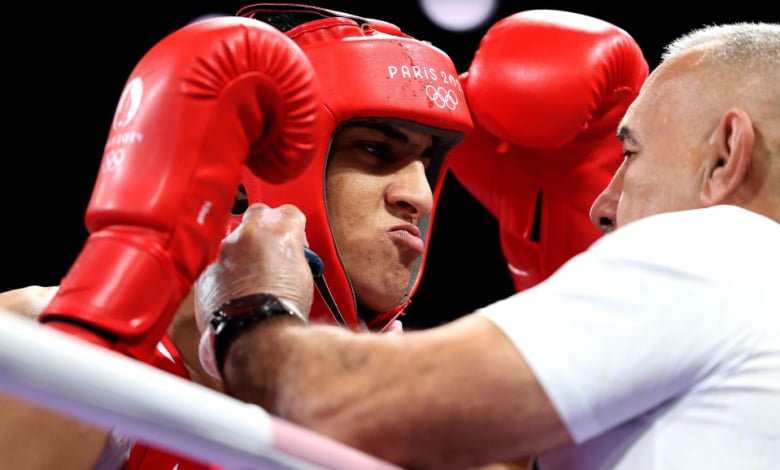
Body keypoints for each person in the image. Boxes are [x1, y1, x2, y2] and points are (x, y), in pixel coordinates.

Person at [0, 5, 647, 469]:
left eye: (428, 164)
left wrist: (577, 252)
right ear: (251, 170)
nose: (417, 196)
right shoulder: (32, 335)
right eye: (373, 150)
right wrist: (128, 271)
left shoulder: (436, 419)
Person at [194, 21, 780, 470]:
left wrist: (249, 311)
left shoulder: (726, 249)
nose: (602, 205)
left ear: (726, 153)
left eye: (631, 152)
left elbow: (356, 404)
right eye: (375, 151)